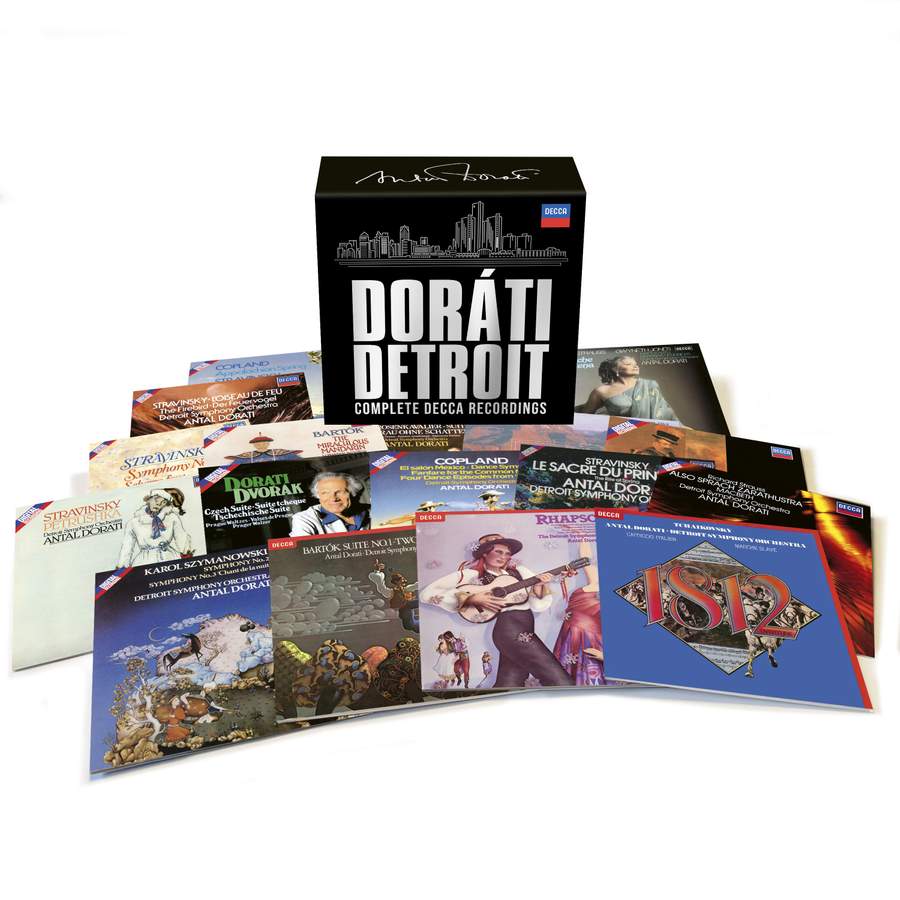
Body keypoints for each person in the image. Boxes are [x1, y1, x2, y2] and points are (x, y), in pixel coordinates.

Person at [422, 534, 574, 688]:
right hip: (510, 630)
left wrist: (540, 586)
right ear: (485, 553)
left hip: (526, 627)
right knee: (559, 680)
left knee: (510, 684)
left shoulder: (519, 572)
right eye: (498, 552)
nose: (503, 557)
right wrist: (470, 598)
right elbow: (427, 594)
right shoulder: (472, 575)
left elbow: (538, 606)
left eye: (507, 554)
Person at [576, 355, 678, 421]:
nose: (635, 366)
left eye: (636, 364)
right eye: (629, 364)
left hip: (651, 433)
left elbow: (665, 411)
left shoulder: (650, 384)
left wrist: (681, 428)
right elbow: (585, 416)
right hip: (619, 434)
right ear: (615, 369)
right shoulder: (602, 391)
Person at [117, 488, 195, 567]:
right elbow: (126, 548)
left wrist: (187, 558)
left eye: (163, 502)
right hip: (144, 561)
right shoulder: (134, 523)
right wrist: (122, 567)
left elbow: (182, 539)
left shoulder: (171, 518)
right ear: (149, 500)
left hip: (170, 558)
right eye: (156, 499)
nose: (158, 504)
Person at [290, 471, 370, 535]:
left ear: (353, 493)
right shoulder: (304, 519)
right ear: (318, 496)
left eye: (339, 492)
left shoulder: (371, 511)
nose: (333, 498)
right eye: (325, 493)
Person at [224, 432, 303, 463]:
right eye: (258, 443)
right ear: (254, 445)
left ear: (268, 443)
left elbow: (299, 461)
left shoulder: (281, 453)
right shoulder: (246, 456)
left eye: (264, 443)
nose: (261, 445)